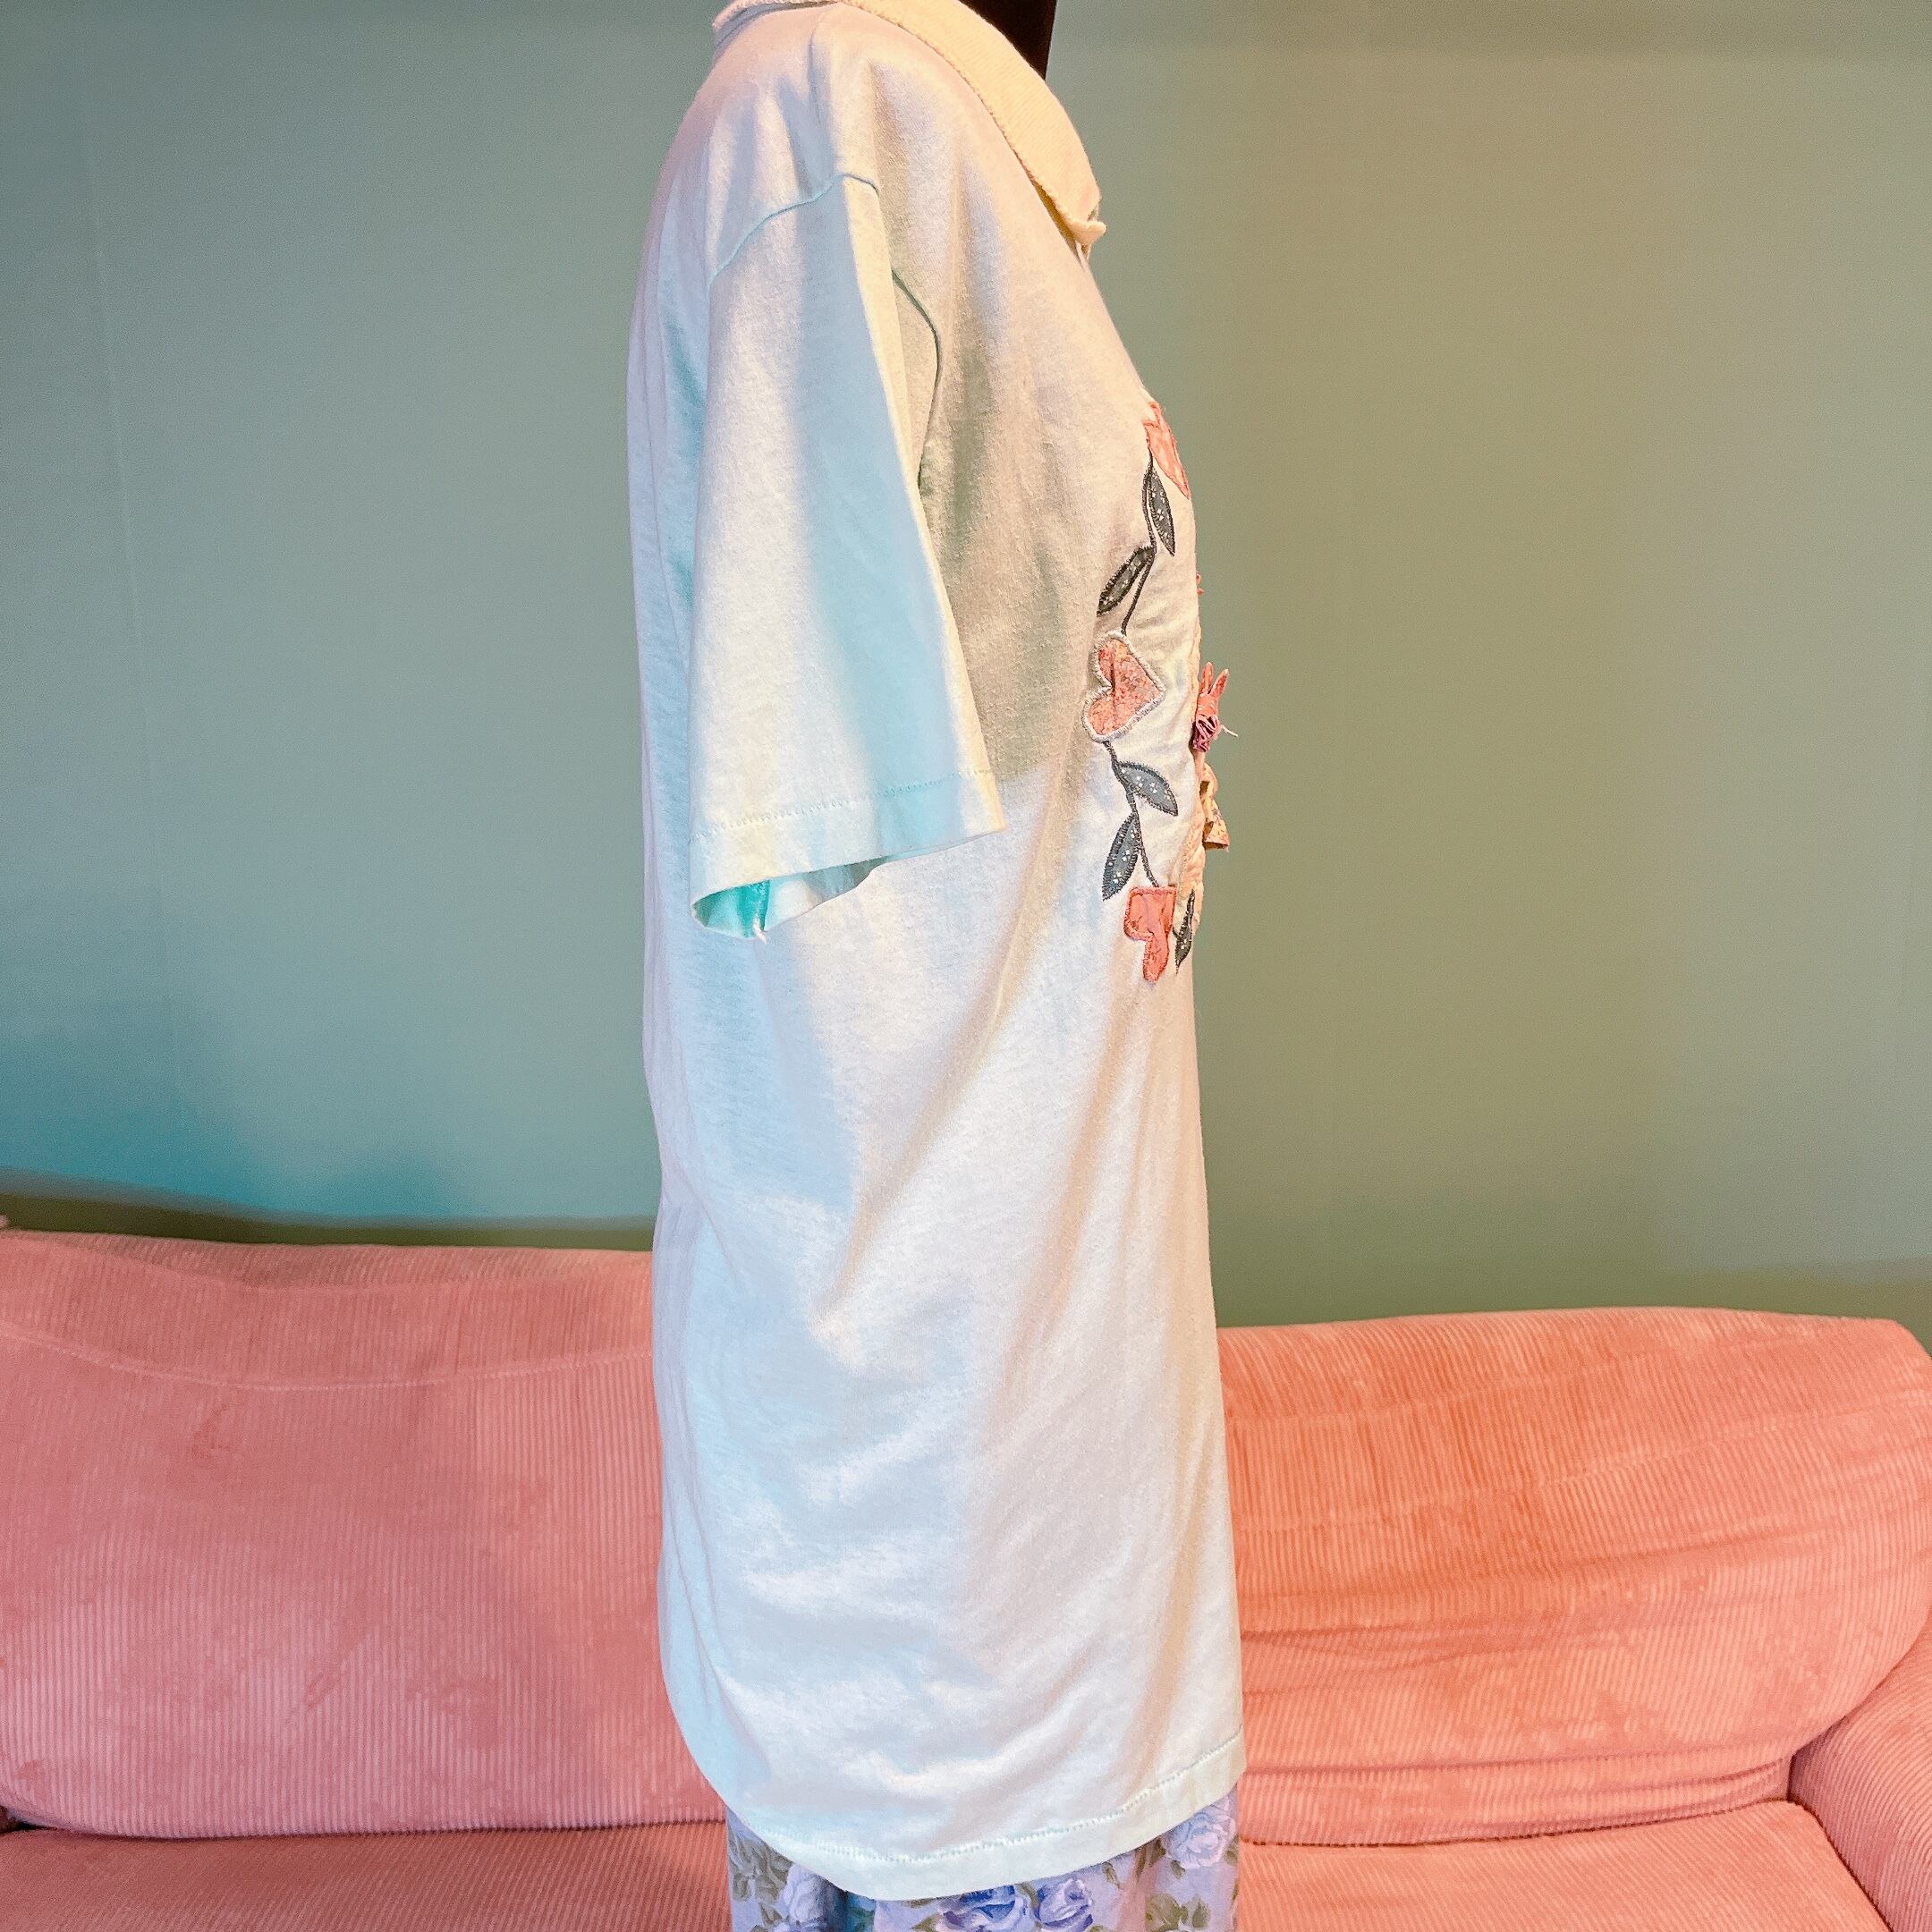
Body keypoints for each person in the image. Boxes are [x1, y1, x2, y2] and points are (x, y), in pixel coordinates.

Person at [624, 0, 1245, 1923]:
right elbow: (813, 896)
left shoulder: (955, 155)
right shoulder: (830, 122)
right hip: (935, 1590)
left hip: (1071, 1489)